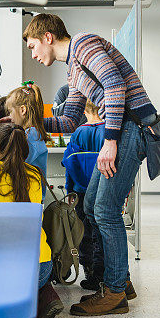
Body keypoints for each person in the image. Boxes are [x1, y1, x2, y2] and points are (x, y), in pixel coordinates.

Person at [23, 13, 156, 317]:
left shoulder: (84, 44)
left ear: (47, 37)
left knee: (106, 210)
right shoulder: (73, 69)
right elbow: (70, 119)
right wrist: (27, 121)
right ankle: (120, 280)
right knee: (92, 205)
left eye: (32, 46)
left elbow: (114, 87)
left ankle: (114, 294)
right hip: (120, 131)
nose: (33, 54)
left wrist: (109, 141)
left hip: (129, 130)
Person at [0, 123, 63, 318]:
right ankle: (38, 296)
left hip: (2, 265)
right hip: (42, 264)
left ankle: (22, 302)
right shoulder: (35, 176)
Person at [61, 101, 105, 291]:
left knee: (84, 231)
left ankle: (88, 269)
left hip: (80, 190)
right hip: (103, 189)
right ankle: (102, 272)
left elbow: (69, 164)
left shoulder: (79, 132)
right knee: (102, 231)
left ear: (83, 110)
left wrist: (69, 189)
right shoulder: (108, 132)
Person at [5, 84, 49, 181]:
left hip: (31, 194)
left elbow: (15, 164)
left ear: (22, 110)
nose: (9, 117)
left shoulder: (31, 135)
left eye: (10, 111)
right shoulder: (32, 133)